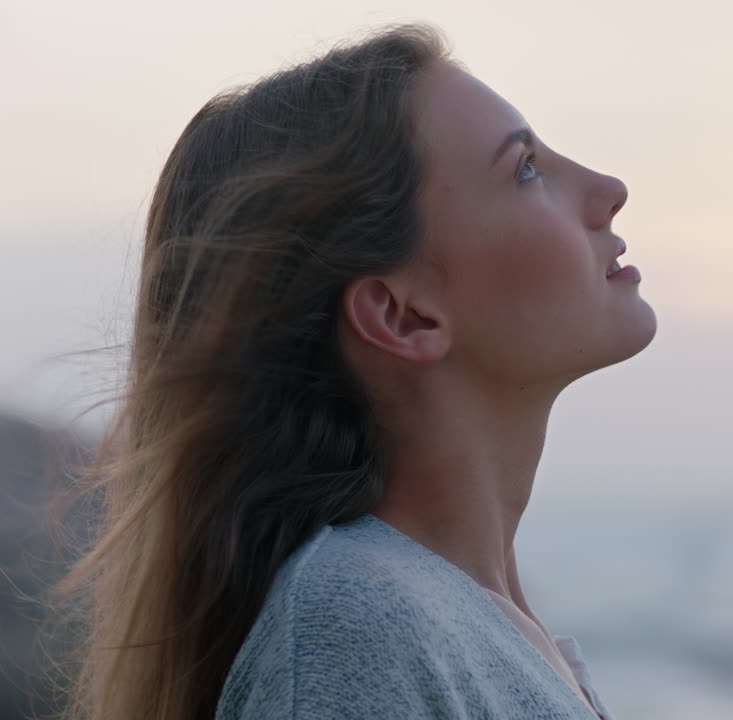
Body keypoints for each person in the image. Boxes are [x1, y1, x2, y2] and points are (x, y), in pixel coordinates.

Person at [51, 21, 655, 720]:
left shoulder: (463, 624)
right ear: (404, 316)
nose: (609, 188)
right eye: (524, 168)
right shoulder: (356, 624)